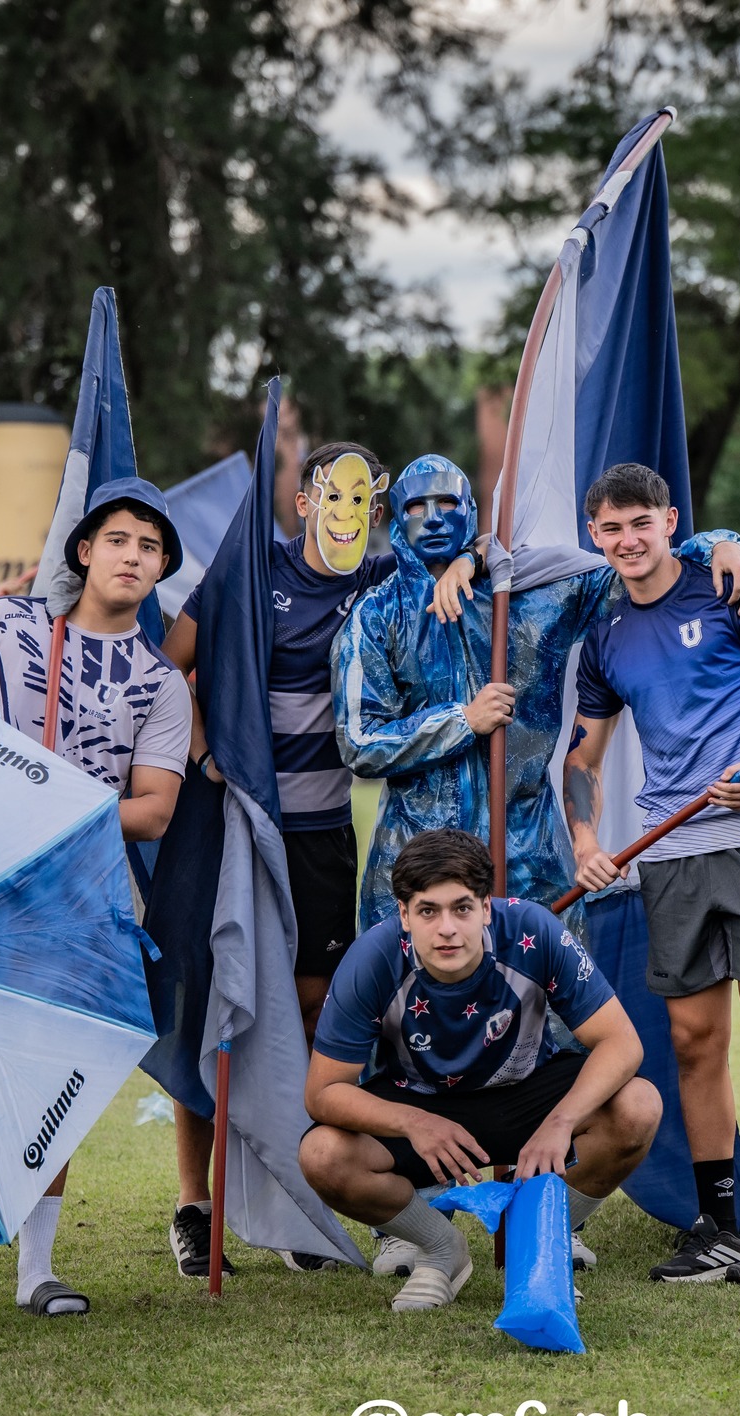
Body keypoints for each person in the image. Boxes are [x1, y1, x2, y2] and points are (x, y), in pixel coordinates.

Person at [0, 477, 191, 1334]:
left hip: (83, 907)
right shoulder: (2, 624)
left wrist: (47, 809)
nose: (133, 555)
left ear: (162, 568)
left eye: (150, 546)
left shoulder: (161, 682)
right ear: (84, 550)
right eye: (119, 538)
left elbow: (155, 808)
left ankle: (37, 1269)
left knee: (51, 1082)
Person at [155, 440, 474, 1279]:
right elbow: (167, 666)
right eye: (332, 494)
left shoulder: (378, 584)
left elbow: (486, 545)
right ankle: (196, 1205)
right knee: (216, 1014)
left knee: (315, 1018)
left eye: (364, 500)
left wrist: (465, 557)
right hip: (239, 828)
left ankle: (313, 1203)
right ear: (301, 502)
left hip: (328, 836)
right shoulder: (248, 571)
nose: (348, 511)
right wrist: (202, 748)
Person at [564, 462, 740, 1287]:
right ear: (595, 537)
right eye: (610, 529)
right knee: (693, 1042)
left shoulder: (729, 587)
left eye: (639, 524)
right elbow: (584, 756)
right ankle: (719, 1225)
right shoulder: (607, 635)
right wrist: (585, 833)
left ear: (669, 520)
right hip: (669, 851)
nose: (626, 541)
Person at [333, 453, 740, 934]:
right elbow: (359, 741)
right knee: (418, 1001)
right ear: (397, 516)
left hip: (530, 848)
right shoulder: (377, 616)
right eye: (417, 507)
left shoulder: (537, 592)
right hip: (420, 850)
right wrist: (462, 720)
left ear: (472, 508)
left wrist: (720, 545)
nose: (435, 518)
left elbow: (643, 565)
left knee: (554, 998)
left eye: (447, 502)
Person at [298, 829, 661, 1311]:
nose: (447, 927)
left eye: (462, 908)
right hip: (419, 1102)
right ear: (404, 915)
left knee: (638, 1106)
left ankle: (537, 1240)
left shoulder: (533, 930)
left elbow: (622, 1042)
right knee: (322, 1154)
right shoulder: (371, 958)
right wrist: (415, 1122)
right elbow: (323, 1092)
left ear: (487, 908)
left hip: (526, 1090)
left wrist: (561, 1122)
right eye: (428, 910)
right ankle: (441, 1250)